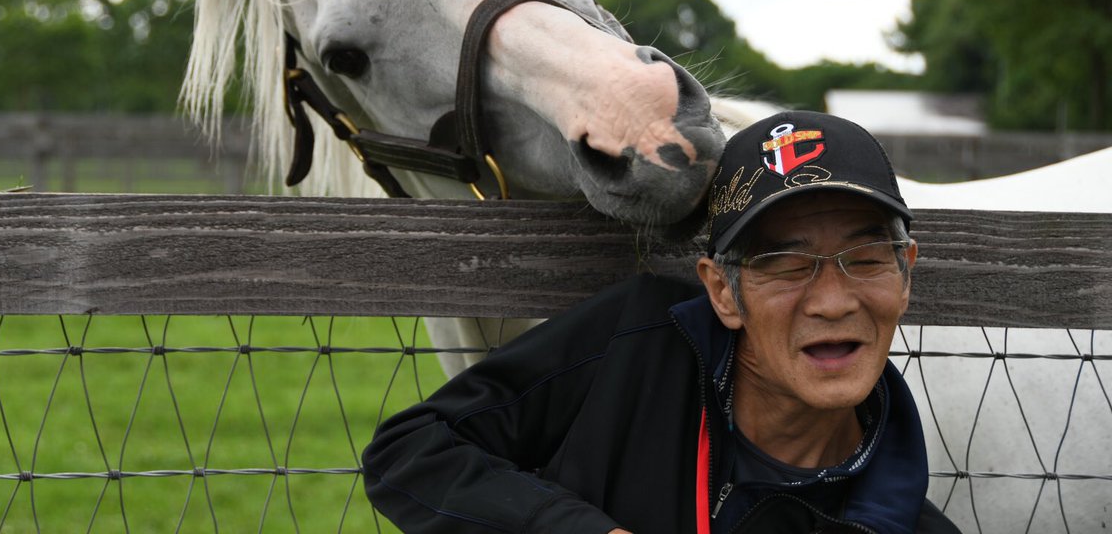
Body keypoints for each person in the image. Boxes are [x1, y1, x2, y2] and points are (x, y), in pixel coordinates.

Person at [362, 110, 961, 533]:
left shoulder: (902, 522)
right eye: (784, 265)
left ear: (905, 274)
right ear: (723, 291)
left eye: (864, 259)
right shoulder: (638, 338)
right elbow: (410, 451)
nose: (832, 301)